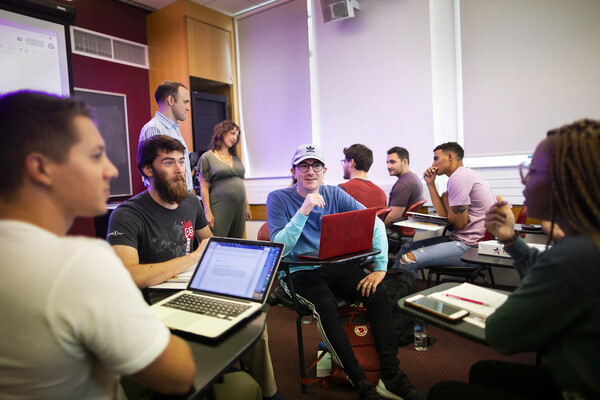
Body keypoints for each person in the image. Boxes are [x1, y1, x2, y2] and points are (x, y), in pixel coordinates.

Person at [0, 92, 198, 399]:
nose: (111, 170)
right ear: (41, 167)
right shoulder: (79, 262)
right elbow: (179, 375)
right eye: (95, 155)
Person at [428, 119, 600, 400]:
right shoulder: (584, 243)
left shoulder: (577, 255)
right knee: (484, 372)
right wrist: (509, 239)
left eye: (532, 171)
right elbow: (546, 272)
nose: (524, 179)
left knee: (442, 391)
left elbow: (502, 335)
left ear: (566, 182)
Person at [107, 135, 282, 400]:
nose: (180, 170)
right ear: (147, 169)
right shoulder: (128, 214)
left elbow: (210, 243)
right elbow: (129, 275)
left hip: (194, 288)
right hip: (154, 302)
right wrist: (192, 257)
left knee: (252, 313)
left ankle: (268, 392)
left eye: (181, 161)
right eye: (169, 162)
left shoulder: (190, 203)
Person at [266, 144, 425, 400]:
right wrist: (303, 211)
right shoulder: (278, 198)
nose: (310, 171)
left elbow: (374, 222)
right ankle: (360, 381)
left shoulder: (335, 194)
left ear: (325, 170)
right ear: (294, 171)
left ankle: (392, 375)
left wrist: (380, 268)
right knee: (325, 304)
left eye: (316, 165)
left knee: (378, 291)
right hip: (298, 271)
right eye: (303, 166)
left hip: (334, 266)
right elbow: (281, 249)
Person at [393, 142, 494, 278]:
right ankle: (389, 290)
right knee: (406, 248)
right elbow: (444, 215)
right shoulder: (462, 175)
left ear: (450, 156)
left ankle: (399, 297)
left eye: (436, 158)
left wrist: (447, 202)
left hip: (469, 248)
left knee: (408, 259)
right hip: (460, 241)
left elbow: (459, 223)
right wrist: (430, 184)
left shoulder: (458, 178)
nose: (433, 164)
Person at [199, 120, 252, 237]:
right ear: (222, 132)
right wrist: (208, 212)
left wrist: (246, 206)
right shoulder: (207, 157)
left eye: (237, 136)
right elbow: (204, 187)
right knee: (218, 241)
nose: (234, 138)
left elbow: (241, 184)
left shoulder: (235, 156)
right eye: (232, 133)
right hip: (219, 206)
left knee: (236, 243)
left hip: (239, 208)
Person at [140, 81, 194, 192]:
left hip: (183, 197)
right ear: (170, 100)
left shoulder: (174, 129)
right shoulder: (154, 129)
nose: (188, 108)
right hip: (170, 200)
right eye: (185, 102)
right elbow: (153, 177)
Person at [384, 147, 424, 228]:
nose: (388, 166)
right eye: (387, 162)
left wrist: (374, 228)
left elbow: (392, 219)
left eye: (392, 162)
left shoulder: (403, 184)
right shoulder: (413, 177)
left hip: (394, 234)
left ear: (405, 162)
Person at [339, 143, 387, 209]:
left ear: (351, 162)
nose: (343, 166)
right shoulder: (381, 193)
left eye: (345, 162)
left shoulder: (342, 190)